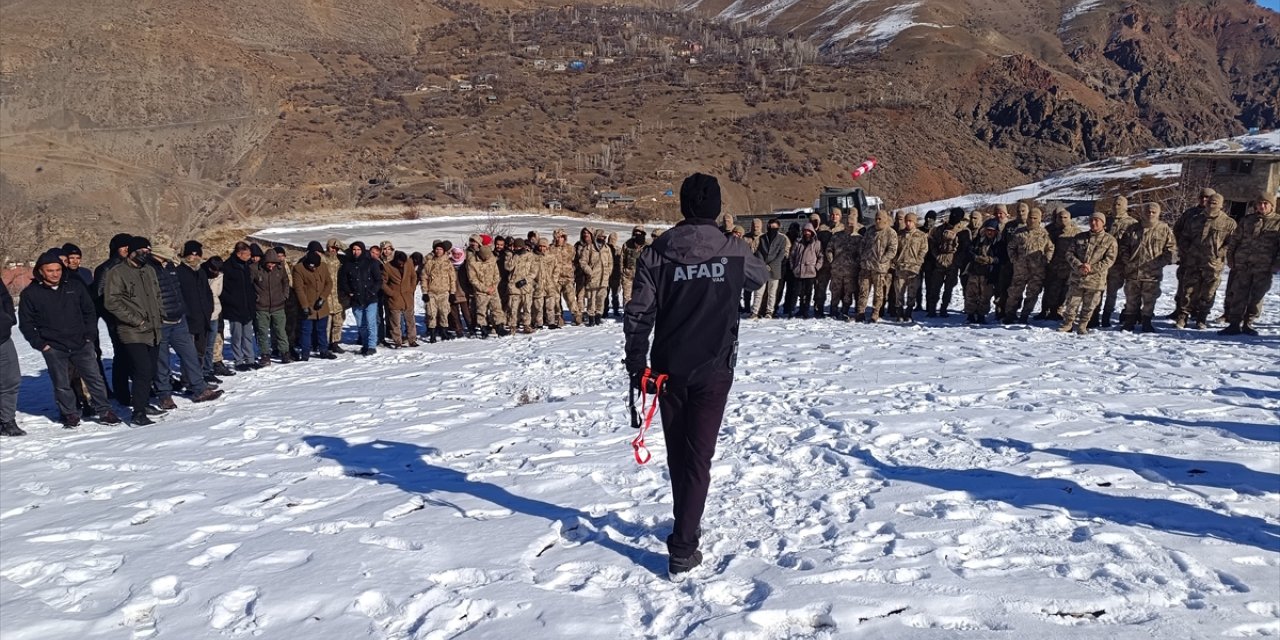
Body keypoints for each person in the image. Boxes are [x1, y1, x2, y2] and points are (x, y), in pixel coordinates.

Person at [623, 173, 767, 578]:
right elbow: (760, 278)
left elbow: (638, 314)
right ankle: (684, 546)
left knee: (679, 453)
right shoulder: (734, 249)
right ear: (717, 208)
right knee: (698, 456)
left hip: (668, 368)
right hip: (714, 369)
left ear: (683, 207)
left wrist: (637, 364)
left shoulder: (656, 253)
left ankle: (686, 521)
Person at [19, 250, 122, 428]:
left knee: (94, 379)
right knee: (61, 383)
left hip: (81, 343)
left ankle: (104, 410)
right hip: (54, 346)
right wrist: (41, 344)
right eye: (50, 271)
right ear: (41, 271)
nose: (55, 274)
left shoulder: (74, 286)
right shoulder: (31, 293)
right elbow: (26, 323)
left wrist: (90, 336)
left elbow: (89, 312)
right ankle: (70, 414)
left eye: (58, 270)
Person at [102, 237, 165, 425]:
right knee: (142, 369)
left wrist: (160, 313)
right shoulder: (117, 273)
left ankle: (143, 402)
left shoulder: (149, 271)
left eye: (148, 251)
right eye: (142, 251)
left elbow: (157, 295)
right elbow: (112, 302)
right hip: (132, 331)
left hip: (153, 329)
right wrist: (136, 320)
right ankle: (138, 413)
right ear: (132, 252)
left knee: (151, 369)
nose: (146, 254)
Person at [150, 248, 222, 408]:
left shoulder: (169, 267)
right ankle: (164, 395)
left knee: (190, 355)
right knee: (162, 361)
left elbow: (178, 291)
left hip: (179, 319)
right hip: (161, 322)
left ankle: (199, 388)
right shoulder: (148, 269)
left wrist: (183, 310)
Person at [1173, 194, 1236, 329]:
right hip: (1193, 262)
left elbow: (1232, 243)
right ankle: (1183, 316)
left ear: (1221, 205)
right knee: (1188, 289)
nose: (1211, 205)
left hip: (1213, 264)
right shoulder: (1194, 219)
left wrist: (1220, 252)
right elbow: (1184, 237)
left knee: (1209, 292)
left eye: (1215, 203)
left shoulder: (1228, 223)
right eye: (1210, 202)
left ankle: (1201, 318)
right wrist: (1187, 250)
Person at [1221, 197, 1279, 336]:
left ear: (1272, 206)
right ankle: (1234, 323)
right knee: (1238, 294)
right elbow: (1235, 241)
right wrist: (1231, 258)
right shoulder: (1247, 220)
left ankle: (1248, 323)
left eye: (1266, 203)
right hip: (1243, 265)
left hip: (1264, 267)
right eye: (1260, 203)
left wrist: (1276, 264)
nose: (1262, 206)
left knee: (1256, 296)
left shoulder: (1278, 222)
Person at [1117, 203, 1177, 333]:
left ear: (1158, 213)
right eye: (1148, 211)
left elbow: (1170, 250)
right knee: (1131, 299)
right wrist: (1127, 260)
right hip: (1133, 272)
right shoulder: (1132, 228)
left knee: (1149, 300)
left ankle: (1146, 322)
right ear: (1143, 213)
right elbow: (1123, 247)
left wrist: (1157, 264)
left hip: (1152, 274)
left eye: (1153, 212)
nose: (1150, 214)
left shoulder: (1164, 229)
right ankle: (1129, 321)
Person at [1058, 213, 1118, 335]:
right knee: (1071, 304)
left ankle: (1082, 325)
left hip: (1095, 280)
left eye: (1097, 220)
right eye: (1091, 220)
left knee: (1089, 306)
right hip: (1077, 278)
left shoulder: (1110, 240)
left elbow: (1109, 260)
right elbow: (1069, 254)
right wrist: (1079, 266)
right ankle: (1068, 324)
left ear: (1103, 223)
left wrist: (1092, 268)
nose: (1093, 223)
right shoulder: (1080, 237)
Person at [1003, 208, 1054, 323]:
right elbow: (1011, 247)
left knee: (1032, 293)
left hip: (1037, 270)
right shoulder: (1019, 232)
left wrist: (1046, 260)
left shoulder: (1044, 234)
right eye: (1030, 218)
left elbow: (1050, 248)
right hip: (1020, 269)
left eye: (1035, 218)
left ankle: (1025, 315)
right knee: (1014, 292)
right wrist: (1014, 259)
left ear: (1039, 219)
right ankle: (1010, 314)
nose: (1032, 220)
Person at [340, 241, 383, 355]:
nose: (356, 252)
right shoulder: (348, 265)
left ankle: (372, 345)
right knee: (361, 324)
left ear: (363, 250)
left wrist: (372, 291)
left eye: (358, 249)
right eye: (354, 249)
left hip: (370, 298)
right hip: (356, 299)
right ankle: (365, 344)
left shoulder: (371, 263)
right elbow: (343, 281)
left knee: (371, 323)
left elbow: (378, 280)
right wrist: (349, 292)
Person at [220, 242, 258, 371]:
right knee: (236, 335)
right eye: (247, 254)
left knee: (247, 334)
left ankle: (250, 358)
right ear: (239, 253)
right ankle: (239, 360)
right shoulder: (227, 267)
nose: (250, 256)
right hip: (234, 307)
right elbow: (223, 289)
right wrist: (231, 301)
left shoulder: (247, 266)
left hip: (247, 305)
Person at [1098, 196, 1135, 327]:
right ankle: (1094, 314)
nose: (1116, 207)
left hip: (1119, 264)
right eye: (1114, 204)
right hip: (1102, 262)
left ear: (1125, 206)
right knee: (1098, 290)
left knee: (1113, 292)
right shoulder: (1105, 221)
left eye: (1119, 204)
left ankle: (1107, 316)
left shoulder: (1132, 223)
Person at [293, 250, 338, 358]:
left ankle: (323, 350)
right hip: (307, 304)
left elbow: (329, 283)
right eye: (311, 266)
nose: (313, 268)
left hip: (321, 306)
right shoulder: (299, 269)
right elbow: (299, 289)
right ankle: (305, 353)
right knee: (306, 331)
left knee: (322, 330)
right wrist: (304, 306)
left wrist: (323, 298)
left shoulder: (323, 266)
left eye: (315, 267)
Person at [854, 212, 897, 322]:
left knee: (878, 293)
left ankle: (875, 312)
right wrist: (863, 256)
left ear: (884, 220)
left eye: (879, 219)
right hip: (866, 266)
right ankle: (860, 312)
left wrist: (882, 260)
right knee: (863, 290)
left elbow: (892, 250)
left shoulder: (890, 233)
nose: (877, 221)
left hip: (879, 268)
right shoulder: (870, 230)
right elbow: (862, 244)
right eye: (876, 219)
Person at [252, 249, 292, 365]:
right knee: (262, 332)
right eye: (269, 264)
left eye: (273, 264)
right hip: (261, 307)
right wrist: (256, 298)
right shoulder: (255, 269)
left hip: (278, 305)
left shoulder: (280, 268)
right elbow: (249, 285)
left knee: (280, 331)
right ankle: (265, 354)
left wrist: (285, 295)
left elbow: (285, 281)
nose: (271, 266)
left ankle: (285, 352)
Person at [925, 208, 966, 317]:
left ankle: (943, 309)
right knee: (935, 287)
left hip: (953, 264)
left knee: (948, 289)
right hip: (939, 262)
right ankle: (932, 309)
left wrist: (956, 261)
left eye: (956, 216)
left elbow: (964, 249)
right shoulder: (940, 229)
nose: (953, 217)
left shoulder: (963, 231)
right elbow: (932, 243)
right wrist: (936, 256)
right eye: (952, 215)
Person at [1040, 208, 1079, 320]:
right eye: (1060, 217)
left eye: (1065, 217)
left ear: (1070, 218)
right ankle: (1045, 310)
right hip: (1052, 265)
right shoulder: (1048, 230)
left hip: (1068, 267)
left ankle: (1058, 310)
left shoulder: (1076, 232)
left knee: (1065, 291)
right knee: (1050, 289)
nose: (1062, 220)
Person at [891, 212, 928, 322]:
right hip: (901, 268)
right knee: (899, 292)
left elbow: (924, 250)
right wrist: (895, 261)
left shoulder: (921, 236)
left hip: (913, 269)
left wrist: (918, 262)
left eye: (910, 221)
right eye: (906, 221)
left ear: (914, 222)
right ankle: (900, 312)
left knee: (912, 292)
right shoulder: (899, 235)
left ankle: (909, 312)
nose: (908, 223)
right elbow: (894, 250)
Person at [963, 219, 1001, 324]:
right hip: (974, 272)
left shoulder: (998, 243)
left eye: (992, 230)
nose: (989, 232)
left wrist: (990, 260)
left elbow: (1001, 258)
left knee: (985, 296)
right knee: (971, 294)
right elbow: (969, 252)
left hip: (988, 274)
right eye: (988, 230)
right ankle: (970, 315)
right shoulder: (977, 241)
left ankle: (981, 315)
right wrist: (976, 258)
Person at [381, 251, 419, 347]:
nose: (402, 264)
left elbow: (414, 276)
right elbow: (383, 282)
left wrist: (412, 288)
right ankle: (397, 341)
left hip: (407, 297)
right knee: (395, 322)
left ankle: (412, 339)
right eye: (400, 262)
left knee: (410, 321)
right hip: (395, 298)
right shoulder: (388, 267)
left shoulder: (409, 263)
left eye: (403, 262)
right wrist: (391, 293)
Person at [750, 219, 787, 318]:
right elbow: (759, 252)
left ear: (778, 228)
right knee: (758, 292)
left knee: (772, 293)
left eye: (774, 227)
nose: (772, 229)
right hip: (762, 269)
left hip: (775, 270)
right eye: (770, 227)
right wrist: (763, 265)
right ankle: (755, 311)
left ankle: (769, 311)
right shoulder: (762, 238)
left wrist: (770, 265)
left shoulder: (782, 239)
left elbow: (781, 254)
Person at [466, 244, 506, 337]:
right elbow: (473, 279)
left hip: (493, 289)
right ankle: (482, 328)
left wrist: (493, 286)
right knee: (481, 310)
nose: (487, 258)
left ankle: (499, 326)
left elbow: (497, 274)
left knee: (497, 308)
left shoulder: (492, 259)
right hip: (481, 291)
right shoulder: (472, 262)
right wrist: (485, 289)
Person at [827, 219, 862, 321]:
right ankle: (833, 310)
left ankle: (845, 310)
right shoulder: (837, 236)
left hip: (851, 272)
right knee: (835, 291)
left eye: (852, 224)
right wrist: (831, 260)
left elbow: (862, 253)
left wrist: (856, 263)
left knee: (848, 292)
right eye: (848, 224)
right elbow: (829, 249)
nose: (850, 226)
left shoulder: (859, 238)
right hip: (837, 270)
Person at [422, 241, 457, 342]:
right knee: (431, 314)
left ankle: (444, 333)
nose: (438, 251)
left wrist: (452, 293)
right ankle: (432, 334)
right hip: (432, 293)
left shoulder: (448, 263)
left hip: (444, 293)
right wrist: (424, 292)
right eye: (436, 249)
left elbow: (452, 279)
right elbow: (424, 277)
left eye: (440, 249)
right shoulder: (430, 263)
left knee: (444, 313)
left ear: (444, 251)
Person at [788, 223, 823, 318]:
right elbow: (792, 255)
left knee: (808, 294)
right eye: (805, 231)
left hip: (810, 272)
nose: (807, 233)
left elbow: (820, 257)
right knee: (796, 293)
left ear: (812, 232)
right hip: (798, 272)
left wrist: (816, 267)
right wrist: (793, 266)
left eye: (809, 231)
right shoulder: (798, 242)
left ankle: (805, 311)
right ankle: (792, 310)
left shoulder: (816, 243)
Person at [0, 284, 21, 436]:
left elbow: (4, 296)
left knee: (10, 379)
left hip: (2, 337)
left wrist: (9, 318)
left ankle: (7, 420)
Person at [505, 238, 538, 333]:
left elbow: (534, 272)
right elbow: (508, 267)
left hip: (526, 287)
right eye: (516, 247)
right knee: (513, 308)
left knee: (527, 308)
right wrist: (512, 256)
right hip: (514, 287)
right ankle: (512, 326)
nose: (518, 248)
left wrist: (525, 280)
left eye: (520, 246)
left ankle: (527, 325)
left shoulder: (530, 256)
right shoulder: (513, 256)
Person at [550, 229, 579, 326]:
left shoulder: (570, 248)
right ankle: (558, 316)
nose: (559, 239)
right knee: (555, 299)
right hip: (555, 278)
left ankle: (576, 315)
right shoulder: (550, 249)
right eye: (557, 237)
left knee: (571, 298)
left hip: (567, 278)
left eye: (562, 237)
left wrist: (571, 270)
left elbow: (575, 261)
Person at [324, 239, 348, 352]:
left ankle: (335, 343)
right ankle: (325, 343)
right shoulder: (322, 259)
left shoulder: (342, 260)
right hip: (326, 297)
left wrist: (341, 245)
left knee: (338, 323)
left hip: (339, 297)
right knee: (326, 325)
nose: (333, 250)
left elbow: (352, 254)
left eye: (336, 248)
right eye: (331, 247)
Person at [619, 226, 647, 308]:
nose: (637, 234)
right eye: (635, 233)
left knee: (640, 295)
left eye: (639, 233)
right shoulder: (627, 244)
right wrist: (622, 271)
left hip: (642, 275)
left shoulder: (646, 246)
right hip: (628, 274)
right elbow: (622, 259)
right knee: (627, 296)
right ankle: (627, 313)